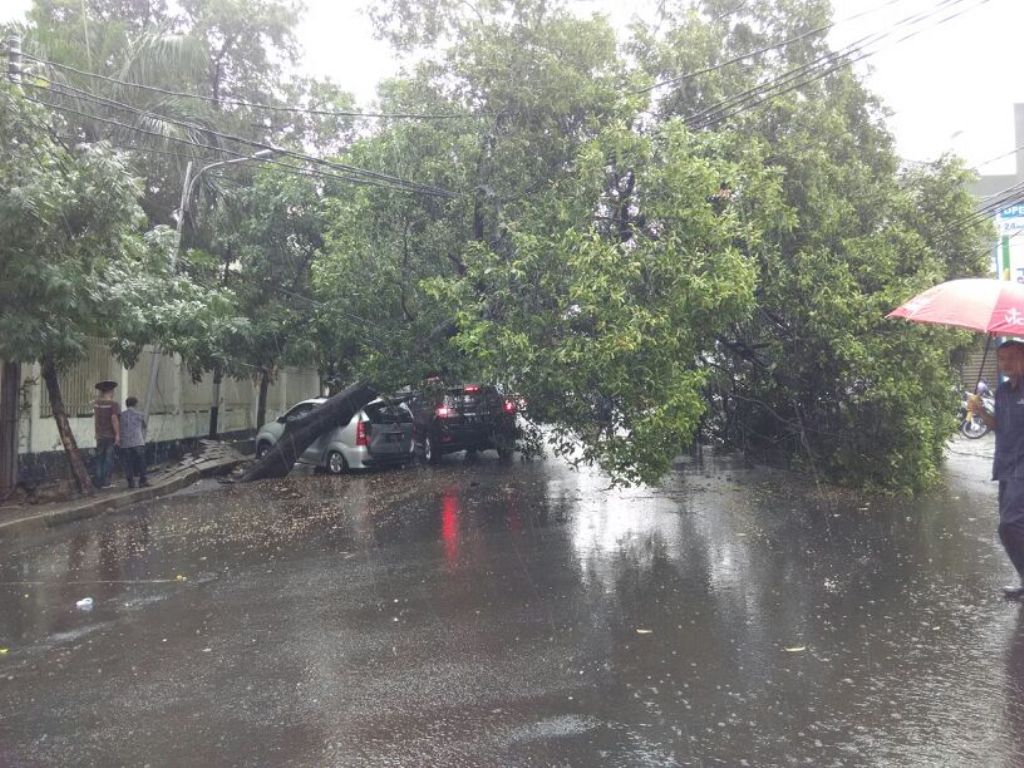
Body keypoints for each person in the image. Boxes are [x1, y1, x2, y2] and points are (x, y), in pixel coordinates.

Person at [969, 339, 1024, 598]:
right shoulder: (1002, 391)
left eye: (1012, 358)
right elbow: (997, 426)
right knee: (1010, 528)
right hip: (1005, 465)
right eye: (1002, 359)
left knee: (1010, 525)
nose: (1006, 364)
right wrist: (979, 411)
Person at [92, 380, 121, 489]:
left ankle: (98, 482)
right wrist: (117, 435)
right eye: (112, 391)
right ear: (110, 391)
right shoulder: (113, 404)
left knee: (99, 458)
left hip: (100, 436)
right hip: (109, 436)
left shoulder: (97, 404)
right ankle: (106, 482)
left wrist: (96, 432)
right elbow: (114, 419)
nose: (113, 392)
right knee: (108, 458)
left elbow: (96, 419)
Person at [120, 396, 149, 488]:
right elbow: (144, 426)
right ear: (136, 404)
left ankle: (130, 482)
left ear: (126, 404)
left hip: (125, 443)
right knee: (141, 462)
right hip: (137, 442)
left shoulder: (121, 415)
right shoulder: (139, 414)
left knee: (128, 463)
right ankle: (142, 481)